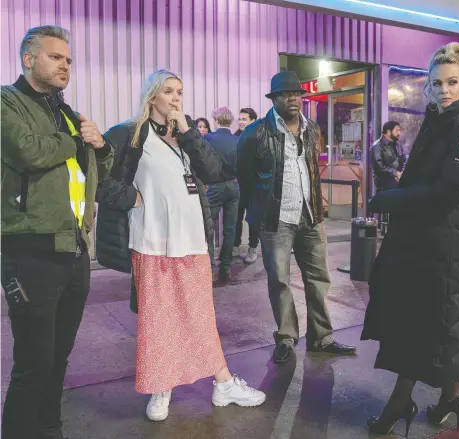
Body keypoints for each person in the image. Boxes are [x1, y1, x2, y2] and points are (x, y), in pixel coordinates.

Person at [95, 69, 265, 423]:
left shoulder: (186, 136)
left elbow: (216, 172)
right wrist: (133, 198)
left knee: (199, 316)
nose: (176, 98)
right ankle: (162, 387)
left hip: (192, 243)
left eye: (180, 92)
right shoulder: (129, 134)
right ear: (152, 95)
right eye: (169, 91)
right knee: (158, 319)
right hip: (153, 243)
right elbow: (99, 180)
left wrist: (189, 134)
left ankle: (222, 383)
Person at [361, 42, 459, 436]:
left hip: (443, 245)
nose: (444, 90)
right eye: (437, 83)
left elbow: (450, 191)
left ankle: (399, 404)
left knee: (421, 327)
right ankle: (452, 398)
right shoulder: (441, 119)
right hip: (429, 243)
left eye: (452, 82)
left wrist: (392, 200)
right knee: (438, 327)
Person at [1, 25, 114, 439]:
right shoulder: (6, 102)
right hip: (30, 247)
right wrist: (73, 139)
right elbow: (29, 151)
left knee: (60, 356)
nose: (65, 64)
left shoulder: (66, 112)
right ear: (29, 59)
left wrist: (100, 146)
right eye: (55, 57)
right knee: (33, 359)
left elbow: (97, 170)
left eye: (68, 59)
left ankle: (49, 428)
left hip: (74, 248)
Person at [237, 71, 357, 364]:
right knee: (279, 280)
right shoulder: (256, 133)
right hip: (276, 220)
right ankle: (287, 338)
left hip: (311, 217)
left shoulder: (312, 129)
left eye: (296, 94)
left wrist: (318, 211)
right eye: (285, 94)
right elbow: (245, 178)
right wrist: (258, 214)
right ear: (274, 98)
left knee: (319, 279)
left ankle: (321, 337)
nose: (292, 98)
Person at [205, 106, 240, 283]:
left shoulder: (208, 138)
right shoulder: (237, 140)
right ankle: (226, 269)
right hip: (234, 186)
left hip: (214, 186)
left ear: (216, 120)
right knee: (230, 229)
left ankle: (210, 269)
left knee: (208, 229)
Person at [233, 107, 260, 263]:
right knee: (235, 218)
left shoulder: (259, 137)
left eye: (244, 119)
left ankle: (253, 248)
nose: (241, 122)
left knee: (252, 219)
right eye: (240, 119)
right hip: (237, 185)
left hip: (253, 186)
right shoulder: (235, 137)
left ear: (253, 121)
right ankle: (235, 246)